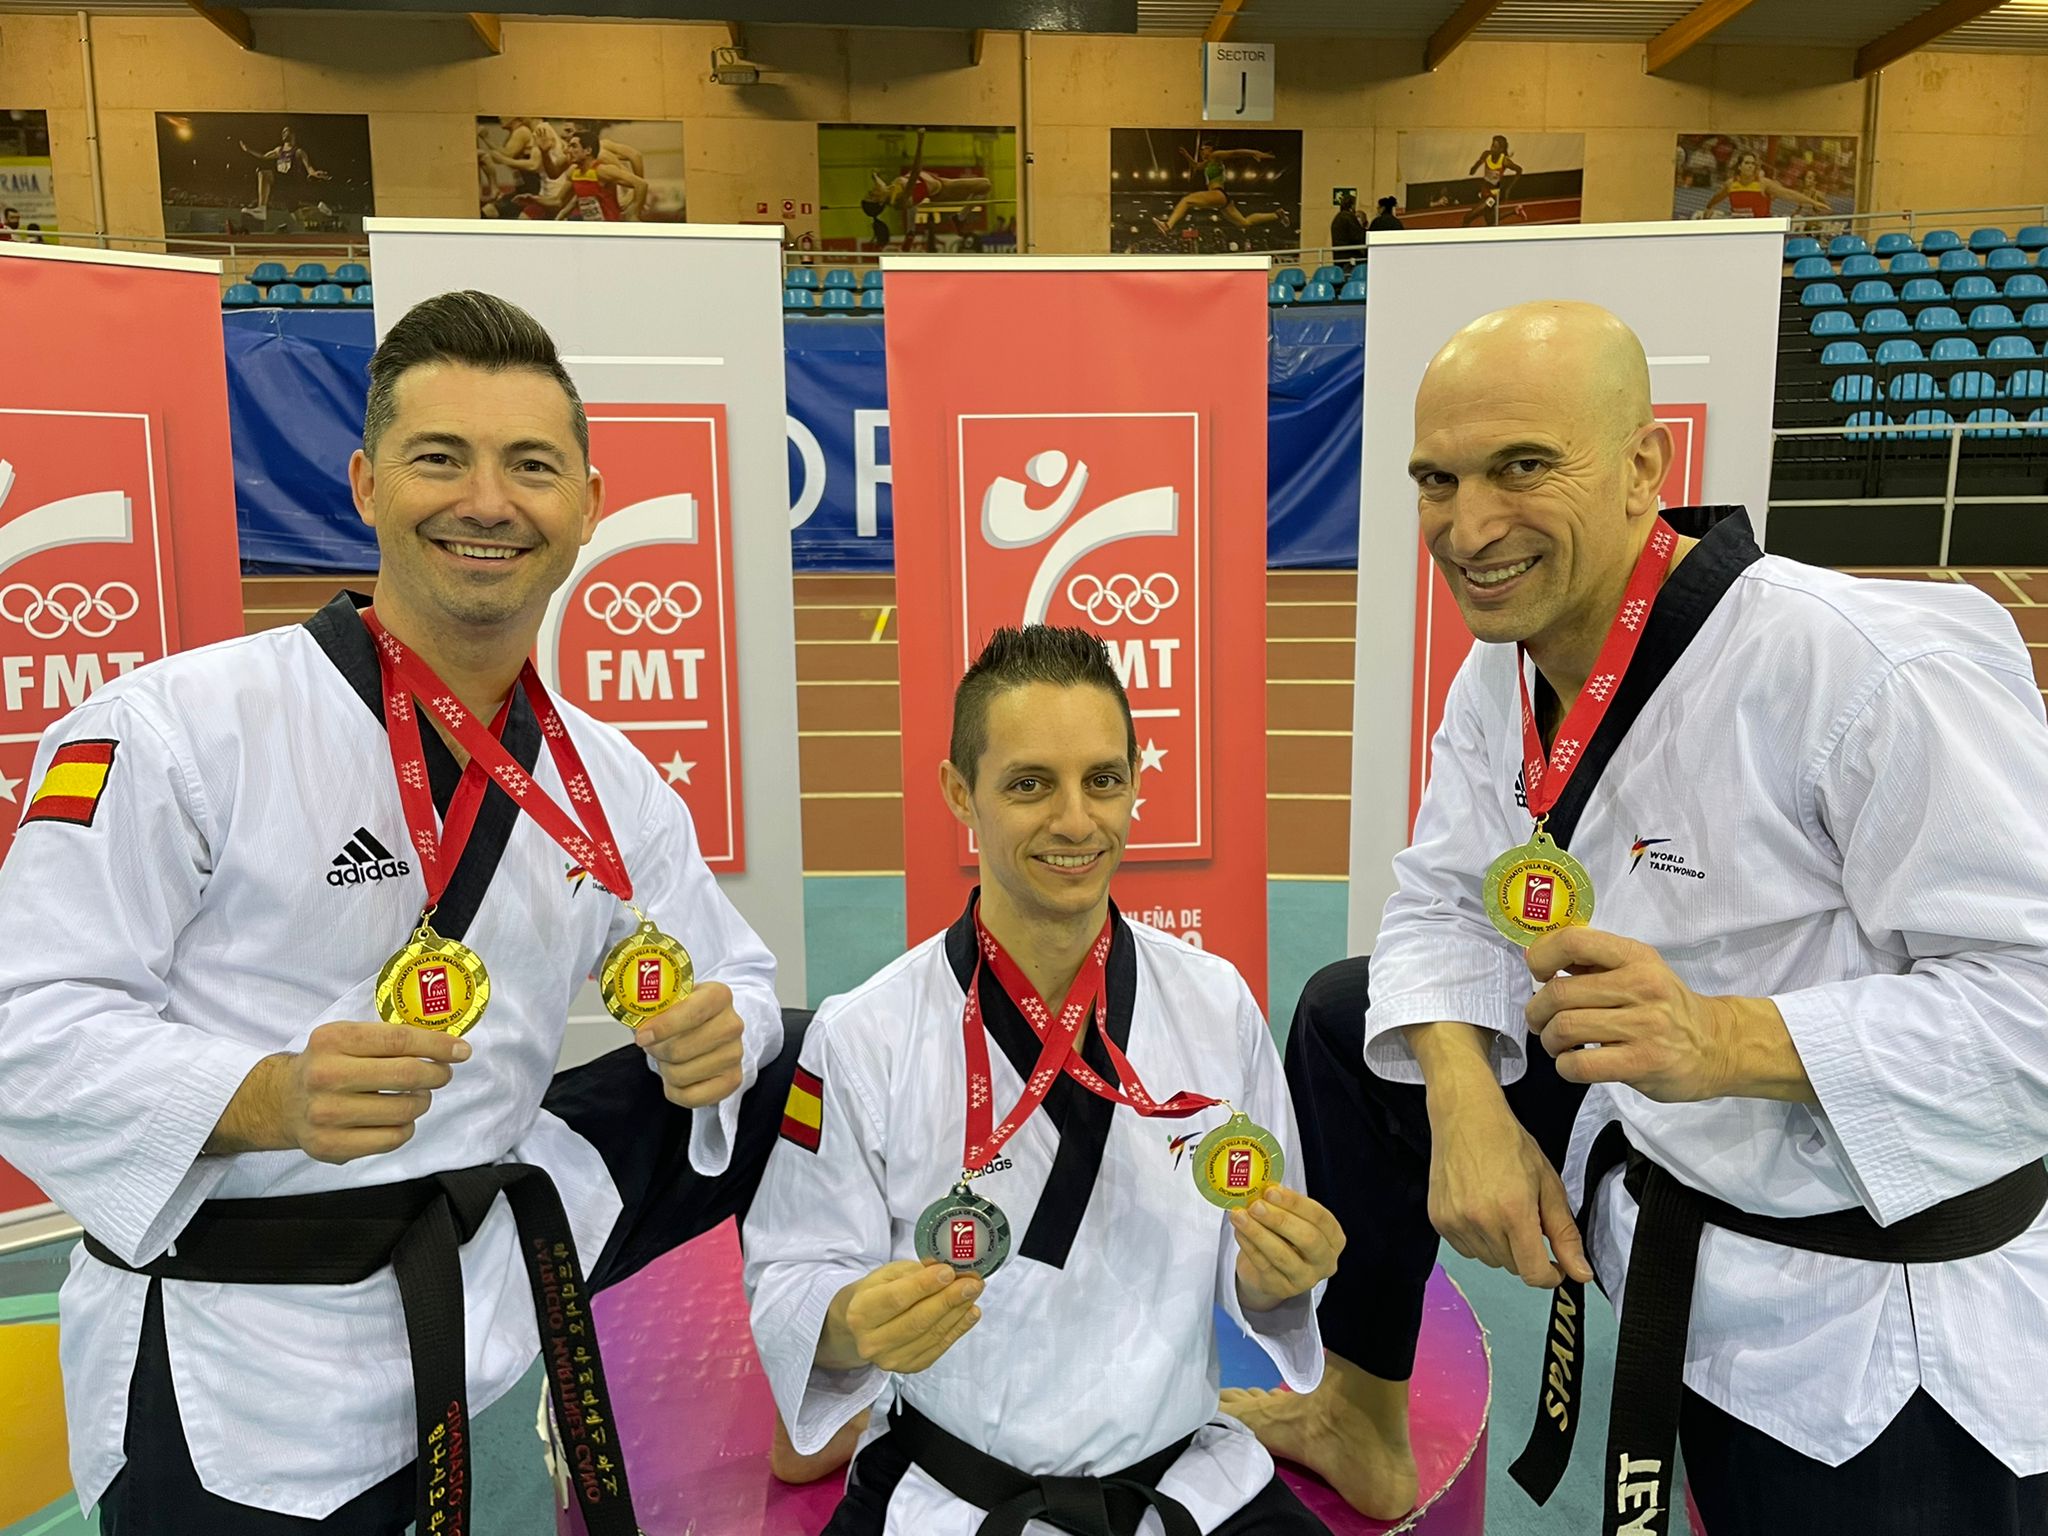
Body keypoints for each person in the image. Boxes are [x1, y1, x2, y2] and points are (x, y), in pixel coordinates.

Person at [1225, 299, 2048, 1535]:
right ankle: (1356, 1409)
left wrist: (1722, 1038)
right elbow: (1442, 899)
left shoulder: (1864, 669)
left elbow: (2030, 1011)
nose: (1468, 525)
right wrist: (1462, 1102)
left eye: (1521, 467)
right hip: (1658, 1142)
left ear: (1642, 465)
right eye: (1436, 480)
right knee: (1353, 1022)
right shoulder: (1507, 670)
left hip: (1872, 1299)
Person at [0, 289, 810, 1535]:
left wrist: (724, 1030)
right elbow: (24, 1026)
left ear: (587, 504)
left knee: (804, 1055)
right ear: (366, 485)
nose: (487, 501)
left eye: (530, 466)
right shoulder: (179, 729)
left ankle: (826, 1381)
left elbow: (732, 976)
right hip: (242, 1352)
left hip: (471, 1264)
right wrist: (263, 1095)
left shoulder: (602, 776)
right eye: (441, 458)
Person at [744, 625, 1346, 1535]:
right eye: (1029, 785)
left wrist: (1278, 1277)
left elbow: (1255, 1268)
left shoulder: (1215, 1003)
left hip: (1184, 1486)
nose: (1075, 822)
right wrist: (851, 1322)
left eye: (1103, 780)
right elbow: (794, 1273)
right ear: (961, 794)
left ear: (1136, 782)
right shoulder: (866, 1031)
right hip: (945, 1499)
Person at [1153, 142, 1292, 241]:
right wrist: (1186, 155)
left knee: (1186, 200)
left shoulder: (1216, 155)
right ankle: (1277, 215)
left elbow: (1235, 152)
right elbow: (1196, 166)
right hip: (1222, 199)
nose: (1201, 153)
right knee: (1244, 223)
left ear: (1210, 149)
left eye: (1203, 150)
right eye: (1200, 151)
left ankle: (1168, 225)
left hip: (1218, 193)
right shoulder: (1208, 163)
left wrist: (1254, 153)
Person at [1703, 148, 1831, 220]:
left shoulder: (1764, 183)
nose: (1750, 166)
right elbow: (1717, 197)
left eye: (1753, 164)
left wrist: (1813, 202)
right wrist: (1709, 207)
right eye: (1747, 163)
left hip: (1761, 228)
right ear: (1739, 166)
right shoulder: (1730, 184)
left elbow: (1788, 194)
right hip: (1739, 227)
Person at [238, 126, 328, 224]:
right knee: (298, 217)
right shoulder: (279, 150)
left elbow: (309, 168)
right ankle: (319, 208)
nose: (284, 134)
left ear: (293, 135)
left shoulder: (298, 152)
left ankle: (261, 209)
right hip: (283, 187)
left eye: (286, 131)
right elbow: (263, 156)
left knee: (264, 174)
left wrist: (315, 173)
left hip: (292, 184)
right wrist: (248, 150)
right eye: (283, 132)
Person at [1461, 135, 1523, 227]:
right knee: (1491, 220)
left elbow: (1519, 170)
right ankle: (1515, 211)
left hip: (1493, 195)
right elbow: (1479, 162)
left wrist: (1508, 188)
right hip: (1484, 191)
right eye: (1492, 145)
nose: (1492, 149)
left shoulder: (1504, 161)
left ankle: (1464, 235)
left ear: (1501, 149)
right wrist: (1474, 168)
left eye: (1495, 147)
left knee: (1468, 217)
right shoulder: (1487, 154)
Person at [1330, 191, 1367, 265]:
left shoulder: (1337, 218)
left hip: (1338, 255)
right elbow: (1357, 236)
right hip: (1350, 255)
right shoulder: (1349, 217)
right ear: (1352, 205)